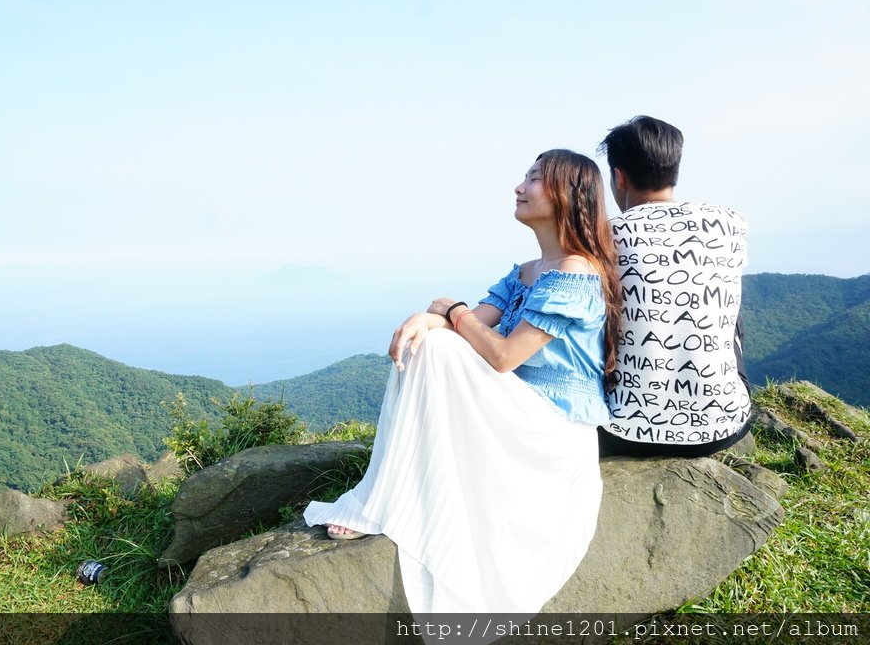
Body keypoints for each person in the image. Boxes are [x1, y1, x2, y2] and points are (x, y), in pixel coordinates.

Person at [303, 149, 621, 615]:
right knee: (430, 344)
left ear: (567, 195)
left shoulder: (575, 270)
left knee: (438, 347)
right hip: (515, 411)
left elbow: (503, 354)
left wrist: (449, 312)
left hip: (552, 428)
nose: (519, 187)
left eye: (533, 179)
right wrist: (426, 318)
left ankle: (382, 498)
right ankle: (385, 494)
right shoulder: (528, 272)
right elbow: (475, 321)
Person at [597, 115, 752, 457]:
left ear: (618, 177)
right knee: (720, 298)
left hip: (624, 430)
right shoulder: (729, 224)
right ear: (674, 169)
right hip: (722, 425)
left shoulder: (603, 234)